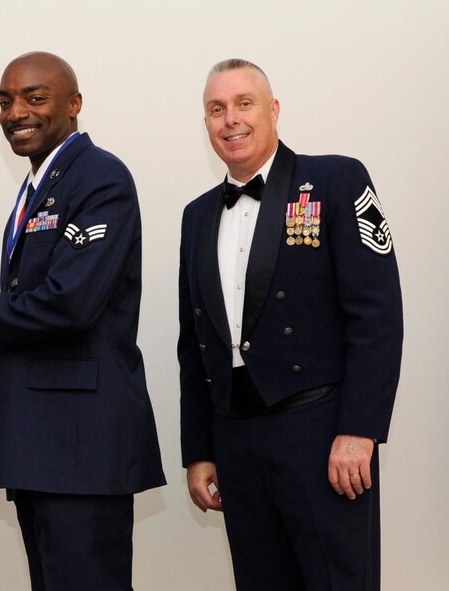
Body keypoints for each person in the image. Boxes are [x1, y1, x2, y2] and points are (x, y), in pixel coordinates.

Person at [0, 52, 166, 591]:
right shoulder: (35, 190)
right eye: (5, 101)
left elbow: (69, 304)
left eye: (34, 98)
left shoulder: (100, 177)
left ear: (74, 105)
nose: (16, 111)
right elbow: (25, 336)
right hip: (45, 449)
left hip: (80, 449)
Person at [177, 59, 403, 590]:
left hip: (320, 434)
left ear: (273, 110)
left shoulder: (335, 179)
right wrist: (200, 450)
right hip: (234, 439)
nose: (230, 119)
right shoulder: (196, 215)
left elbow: (377, 315)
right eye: (216, 109)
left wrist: (360, 430)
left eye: (244, 103)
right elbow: (195, 345)